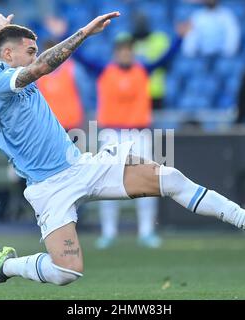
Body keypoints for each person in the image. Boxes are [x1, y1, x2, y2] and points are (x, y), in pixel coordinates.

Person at [0, 12, 245, 292]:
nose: (36, 56)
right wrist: (85, 32)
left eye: (35, 51)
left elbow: (15, 58)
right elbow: (39, 67)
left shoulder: (8, 71)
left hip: (81, 167)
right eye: (30, 51)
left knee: (169, 177)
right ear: (8, 54)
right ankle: (6, 267)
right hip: (48, 188)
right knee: (67, 272)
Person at [95, 34, 161, 249]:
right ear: (116, 52)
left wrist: (179, 38)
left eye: (128, 49)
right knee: (107, 183)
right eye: (122, 49)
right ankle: (108, 232)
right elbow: (83, 58)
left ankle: (146, 231)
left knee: (147, 182)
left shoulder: (142, 70)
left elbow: (166, 59)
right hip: (112, 133)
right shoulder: (106, 71)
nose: (125, 53)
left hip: (139, 133)